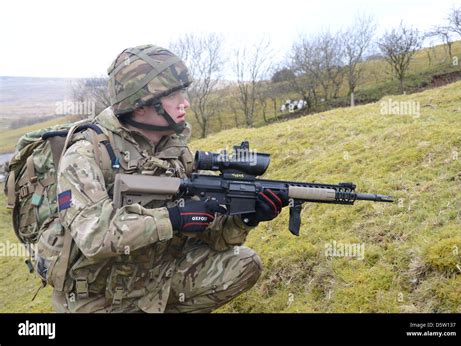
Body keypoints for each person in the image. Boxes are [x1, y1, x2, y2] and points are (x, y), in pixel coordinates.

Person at [51, 44, 288, 313]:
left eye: (183, 92)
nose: (185, 102)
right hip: (100, 296)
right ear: (141, 105)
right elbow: (95, 236)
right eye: (173, 95)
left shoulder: (175, 152)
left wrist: (245, 217)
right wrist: (174, 218)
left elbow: (216, 240)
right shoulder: (86, 153)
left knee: (244, 264)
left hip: (156, 276)